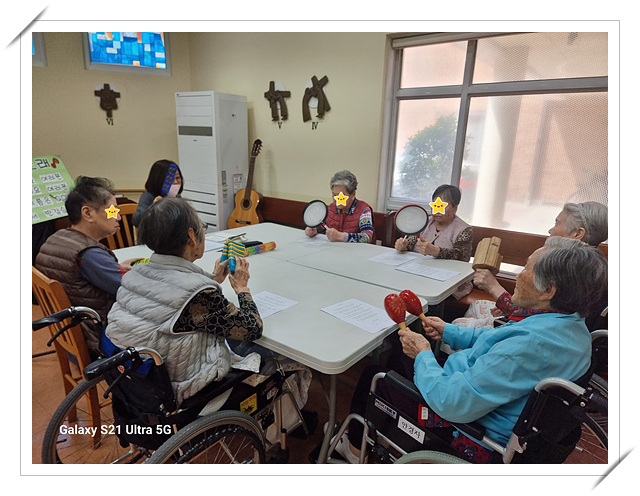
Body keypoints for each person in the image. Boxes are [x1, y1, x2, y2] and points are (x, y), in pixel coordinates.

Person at [331, 237, 607, 464]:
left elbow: (452, 402)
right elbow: (497, 338)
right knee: (400, 357)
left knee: (374, 374)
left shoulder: (530, 346)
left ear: (548, 290)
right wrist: (449, 331)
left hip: (467, 429)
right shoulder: (567, 325)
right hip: (478, 391)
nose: (519, 274)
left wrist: (424, 354)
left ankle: (353, 451)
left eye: (526, 268)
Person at [106, 197, 266, 406]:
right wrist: (242, 289)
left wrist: (213, 279)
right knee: (268, 357)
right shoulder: (200, 294)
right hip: (182, 386)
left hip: (133, 378)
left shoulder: (136, 272)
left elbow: (174, 295)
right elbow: (252, 328)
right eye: (202, 228)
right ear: (192, 236)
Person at [35, 176, 142, 353]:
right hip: (98, 340)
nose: (118, 217)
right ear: (88, 213)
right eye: (113, 211)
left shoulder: (57, 238)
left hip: (68, 333)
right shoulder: (89, 254)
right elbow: (133, 289)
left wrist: (112, 267)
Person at [472, 201, 608, 323]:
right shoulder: (594, 266)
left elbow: (540, 319)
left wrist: (493, 286)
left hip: (534, 330)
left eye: (557, 223)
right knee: (476, 306)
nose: (550, 230)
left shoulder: (569, 270)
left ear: (578, 234)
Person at [395, 184, 473, 300]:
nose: (437, 210)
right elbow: (411, 241)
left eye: (443, 205)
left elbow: (461, 256)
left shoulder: (464, 229)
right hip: (419, 276)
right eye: (435, 205)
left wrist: (436, 251)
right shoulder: (426, 221)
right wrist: (403, 245)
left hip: (450, 284)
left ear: (455, 208)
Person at [304, 170, 375, 243]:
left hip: (355, 249)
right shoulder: (331, 208)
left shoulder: (364, 210)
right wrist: (314, 230)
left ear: (353, 194)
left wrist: (341, 236)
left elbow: (367, 237)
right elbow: (324, 226)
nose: (336, 200)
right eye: (334, 195)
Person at [132, 159, 184, 227]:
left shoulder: (178, 198)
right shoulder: (148, 196)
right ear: (159, 180)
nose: (175, 182)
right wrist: (153, 208)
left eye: (177, 178)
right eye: (170, 179)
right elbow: (136, 221)